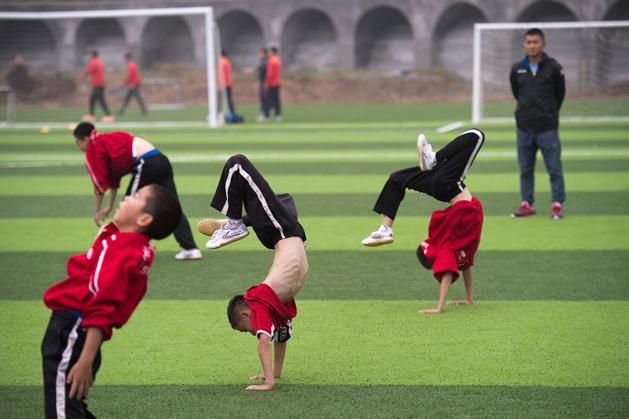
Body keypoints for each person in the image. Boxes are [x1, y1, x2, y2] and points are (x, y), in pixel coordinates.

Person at [41, 184, 182, 418]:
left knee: (62, 412)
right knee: (71, 407)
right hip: (79, 336)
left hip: (73, 332)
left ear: (145, 218)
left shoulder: (120, 250)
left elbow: (101, 306)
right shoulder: (134, 247)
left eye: (136, 197)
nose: (126, 197)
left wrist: (85, 360)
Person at [202, 154, 308, 391]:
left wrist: (268, 384)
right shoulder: (276, 305)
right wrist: (275, 373)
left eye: (244, 330)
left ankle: (233, 224)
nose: (252, 333)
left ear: (244, 315)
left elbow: (264, 344)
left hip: (281, 231)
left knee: (237, 164)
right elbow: (281, 338)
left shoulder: (257, 301)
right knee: (283, 200)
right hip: (285, 232)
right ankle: (236, 222)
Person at [362, 130, 485, 313]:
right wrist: (440, 307)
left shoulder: (447, 243)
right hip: (448, 188)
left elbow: (464, 265)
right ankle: (434, 159)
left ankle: (385, 228)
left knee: (397, 179)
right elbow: (450, 273)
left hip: (446, 187)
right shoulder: (446, 248)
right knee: (476, 135)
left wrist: (468, 298)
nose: (424, 241)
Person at [72, 121, 202, 260]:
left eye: (77, 142)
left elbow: (99, 186)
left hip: (146, 164)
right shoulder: (108, 139)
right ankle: (191, 249)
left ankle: (117, 252)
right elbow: (113, 180)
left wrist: (97, 211)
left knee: (127, 211)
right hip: (161, 160)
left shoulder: (94, 147)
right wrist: (109, 205)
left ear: (85, 139)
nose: (77, 145)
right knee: (172, 207)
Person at [510, 28, 566, 220]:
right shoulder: (517, 68)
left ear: (543, 44)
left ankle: (557, 204)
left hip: (547, 128)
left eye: (535, 42)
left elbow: (560, 95)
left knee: (554, 168)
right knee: (525, 169)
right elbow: (517, 92)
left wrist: (548, 114)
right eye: (528, 42)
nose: (532, 46)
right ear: (525, 44)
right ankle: (527, 204)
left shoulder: (554, 68)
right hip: (524, 128)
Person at [81, 50, 114, 123]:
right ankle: (91, 115)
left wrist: (82, 79)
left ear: (92, 55)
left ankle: (108, 115)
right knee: (93, 99)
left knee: (100, 100)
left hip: (97, 84)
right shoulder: (100, 62)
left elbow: (88, 71)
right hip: (101, 83)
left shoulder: (93, 62)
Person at [118, 52, 147, 117]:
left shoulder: (131, 65)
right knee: (130, 98)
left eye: (124, 58)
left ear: (127, 58)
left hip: (134, 85)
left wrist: (126, 83)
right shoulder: (133, 64)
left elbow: (130, 76)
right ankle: (122, 111)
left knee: (134, 98)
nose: (124, 60)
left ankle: (122, 111)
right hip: (134, 84)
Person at [264, 47, 282, 122]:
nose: (268, 53)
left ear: (272, 52)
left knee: (268, 99)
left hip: (272, 83)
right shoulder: (278, 60)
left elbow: (269, 74)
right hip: (277, 82)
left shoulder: (271, 60)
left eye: (269, 52)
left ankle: (267, 115)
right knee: (277, 100)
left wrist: (267, 83)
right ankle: (278, 115)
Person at [218, 50, 236, 116]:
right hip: (228, 83)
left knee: (219, 99)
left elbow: (221, 74)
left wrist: (220, 83)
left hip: (223, 83)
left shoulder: (221, 61)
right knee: (229, 99)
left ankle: (217, 113)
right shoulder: (227, 61)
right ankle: (232, 112)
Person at [256, 48, 269, 122]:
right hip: (262, 82)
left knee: (265, 99)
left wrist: (266, 83)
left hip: (265, 83)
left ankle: (265, 115)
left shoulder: (266, 62)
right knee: (262, 99)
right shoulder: (263, 62)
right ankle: (263, 113)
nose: (259, 55)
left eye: (261, 53)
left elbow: (267, 73)